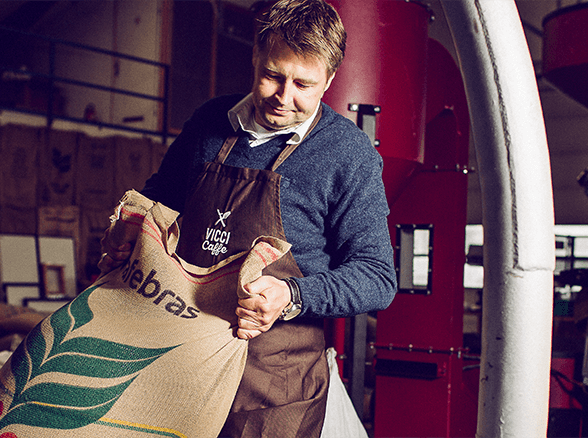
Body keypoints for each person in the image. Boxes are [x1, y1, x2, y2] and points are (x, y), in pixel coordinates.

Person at [99, 0, 396, 436]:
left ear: (330, 79)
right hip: (176, 359)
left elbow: (377, 277)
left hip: (272, 385)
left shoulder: (349, 156)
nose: (284, 96)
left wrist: (290, 294)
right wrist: (127, 229)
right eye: (273, 75)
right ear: (255, 56)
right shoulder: (208, 122)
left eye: (304, 84)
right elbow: (157, 198)